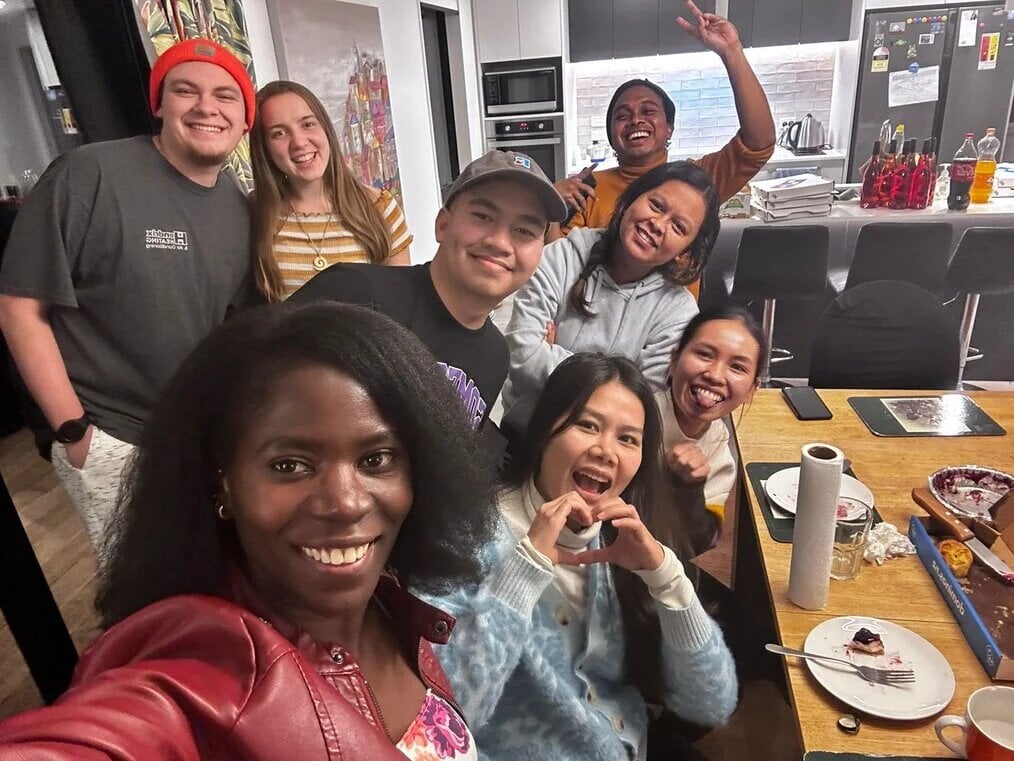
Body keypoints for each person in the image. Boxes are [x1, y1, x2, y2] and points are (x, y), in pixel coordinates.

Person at [0, 302, 497, 760]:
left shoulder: (392, 603)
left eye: (376, 459)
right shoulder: (196, 678)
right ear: (224, 484)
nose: (346, 502)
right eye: (290, 465)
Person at [0, 38, 259, 553]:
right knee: (139, 593)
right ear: (159, 103)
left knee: (206, 574)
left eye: (226, 96)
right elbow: (19, 308)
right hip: (110, 436)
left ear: (245, 119)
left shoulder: (238, 204)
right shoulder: (89, 174)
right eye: (186, 90)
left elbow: (229, 328)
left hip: (196, 436)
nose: (207, 106)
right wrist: (75, 433)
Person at [421, 353, 737, 761]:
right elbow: (446, 717)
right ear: (544, 433)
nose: (606, 451)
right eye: (587, 425)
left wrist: (665, 576)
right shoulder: (465, 537)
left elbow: (710, 703)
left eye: (628, 438)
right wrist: (524, 569)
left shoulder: (622, 536)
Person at [290, 149, 567, 431]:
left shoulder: (496, 356)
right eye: (483, 216)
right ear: (443, 225)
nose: (499, 242)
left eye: (524, 231)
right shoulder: (354, 293)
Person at [502, 161, 720, 434]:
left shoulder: (678, 312)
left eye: (678, 227)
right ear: (630, 200)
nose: (658, 224)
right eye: (656, 205)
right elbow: (522, 356)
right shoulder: (561, 257)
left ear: (686, 248)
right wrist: (622, 384)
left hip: (606, 453)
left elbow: (645, 405)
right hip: (524, 436)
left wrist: (555, 358)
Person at [554, 0, 774, 243]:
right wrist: (546, 209)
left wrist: (731, 51)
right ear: (611, 135)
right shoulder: (588, 190)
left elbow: (758, 144)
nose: (636, 120)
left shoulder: (695, 181)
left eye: (648, 111)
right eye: (622, 115)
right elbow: (559, 269)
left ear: (669, 128)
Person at [250, 80, 413, 301]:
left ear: (325, 129)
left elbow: (400, 303)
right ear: (264, 148)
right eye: (279, 133)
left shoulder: (379, 207)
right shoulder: (255, 212)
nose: (299, 142)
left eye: (307, 124)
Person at [659, 306, 765, 555]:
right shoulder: (635, 417)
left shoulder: (719, 449)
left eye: (737, 367)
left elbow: (698, 544)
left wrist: (689, 487)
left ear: (753, 388)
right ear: (674, 359)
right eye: (705, 354)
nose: (716, 376)